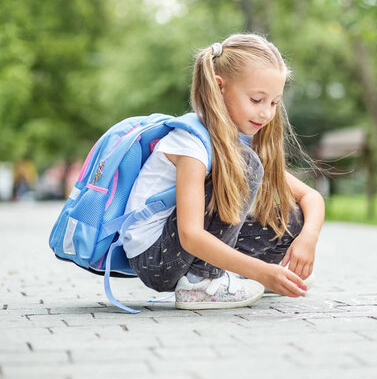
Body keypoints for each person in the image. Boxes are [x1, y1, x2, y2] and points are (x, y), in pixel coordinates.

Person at [123, 33, 325, 310]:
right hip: (157, 258)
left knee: (291, 220)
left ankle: (238, 275)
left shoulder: (236, 142)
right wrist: (260, 271)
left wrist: (307, 240)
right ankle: (200, 285)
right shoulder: (190, 142)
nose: (267, 113)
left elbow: (311, 197)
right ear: (219, 87)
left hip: (179, 250)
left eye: (274, 103)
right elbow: (190, 235)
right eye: (257, 100)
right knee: (246, 164)